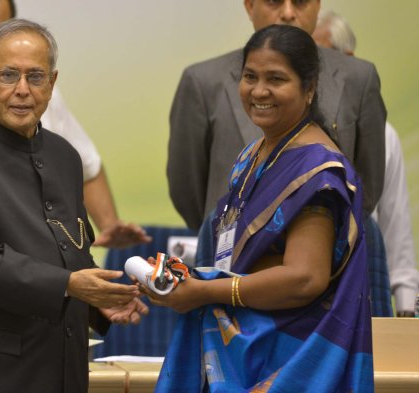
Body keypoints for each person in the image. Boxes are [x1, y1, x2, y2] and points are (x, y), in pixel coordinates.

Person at [0, 18, 148, 392]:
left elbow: (72, 251)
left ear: (52, 83)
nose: (22, 90)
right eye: (9, 75)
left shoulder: (65, 157)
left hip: (62, 366)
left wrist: (98, 304)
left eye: (36, 77)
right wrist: (72, 286)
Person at [145, 24, 372, 392]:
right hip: (245, 345)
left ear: (309, 87)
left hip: (289, 360)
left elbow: (305, 279)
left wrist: (205, 292)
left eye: (276, 79)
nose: (259, 91)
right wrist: (188, 279)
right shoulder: (254, 153)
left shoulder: (316, 170)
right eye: (250, 76)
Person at [0, 0, 151, 249]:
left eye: (1, 33)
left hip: (41, 257)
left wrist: (108, 225)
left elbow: (86, 164)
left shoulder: (33, 91)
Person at [167, 0, 386, 232]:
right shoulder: (203, 82)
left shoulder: (359, 78)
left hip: (327, 256)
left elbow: (367, 187)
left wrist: (328, 242)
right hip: (227, 256)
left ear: (318, 5)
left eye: (301, 2)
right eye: (274, 1)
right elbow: (187, 191)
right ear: (250, 6)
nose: (288, 13)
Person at [313, 10, 419, 317]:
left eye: (324, 56)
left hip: (362, 286)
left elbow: (395, 223)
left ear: (349, 59)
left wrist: (405, 306)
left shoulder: (384, 135)